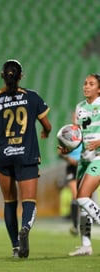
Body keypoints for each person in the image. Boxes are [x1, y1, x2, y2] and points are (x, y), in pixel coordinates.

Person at [0, 60, 51, 259]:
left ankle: (15, 246)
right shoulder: (32, 97)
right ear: (21, 76)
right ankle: (25, 227)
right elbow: (46, 124)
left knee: (9, 202)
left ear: (3, 75)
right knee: (29, 201)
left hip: (3, 156)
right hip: (26, 155)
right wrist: (46, 131)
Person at [64, 73, 100, 256]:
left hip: (99, 157)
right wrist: (67, 148)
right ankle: (86, 244)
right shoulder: (79, 108)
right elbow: (76, 136)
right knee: (85, 203)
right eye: (85, 83)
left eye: (91, 84)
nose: (86, 86)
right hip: (84, 159)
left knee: (82, 196)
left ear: (99, 89)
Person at [58, 136, 82, 236]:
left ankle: (87, 221)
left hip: (83, 166)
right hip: (72, 167)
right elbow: (59, 152)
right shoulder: (69, 134)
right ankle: (75, 226)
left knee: (84, 195)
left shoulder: (86, 133)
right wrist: (68, 158)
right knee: (75, 194)